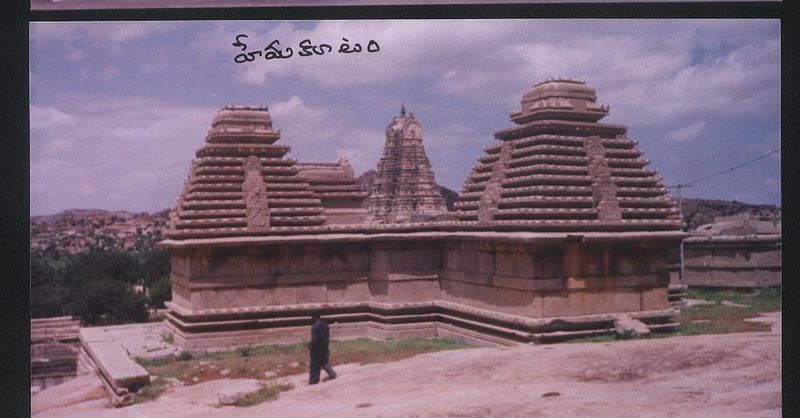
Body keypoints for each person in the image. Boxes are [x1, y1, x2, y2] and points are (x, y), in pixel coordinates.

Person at [307, 313, 337, 385]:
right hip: (324, 347)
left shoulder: (314, 326)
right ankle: (332, 374)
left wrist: (310, 345)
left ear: (315, 317)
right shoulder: (325, 324)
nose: (311, 318)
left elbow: (315, 337)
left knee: (314, 365)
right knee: (324, 362)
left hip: (316, 348)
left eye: (312, 317)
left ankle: (313, 381)